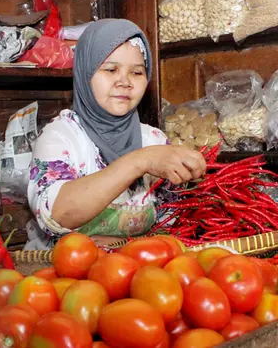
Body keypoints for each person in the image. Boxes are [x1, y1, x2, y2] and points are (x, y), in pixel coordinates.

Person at [25, 19, 206, 250]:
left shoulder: (154, 140)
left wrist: (125, 245)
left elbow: (173, 223)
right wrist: (140, 161)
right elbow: (57, 215)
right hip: (65, 277)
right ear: (85, 73)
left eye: (137, 72)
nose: (125, 82)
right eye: (110, 70)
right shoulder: (61, 137)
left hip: (137, 272)